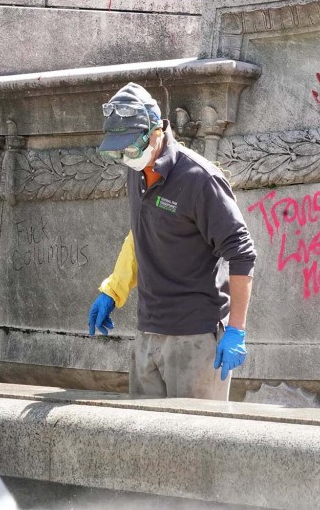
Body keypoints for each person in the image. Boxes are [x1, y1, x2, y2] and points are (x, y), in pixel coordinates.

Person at [87, 83, 256, 400]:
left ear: (156, 132)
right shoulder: (135, 169)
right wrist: (113, 289)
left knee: (196, 445)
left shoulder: (199, 179)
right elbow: (140, 233)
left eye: (131, 148)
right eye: (119, 151)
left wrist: (236, 329)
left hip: (195, 338)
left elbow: (242, 253)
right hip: (148, 333)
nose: (127, 157)